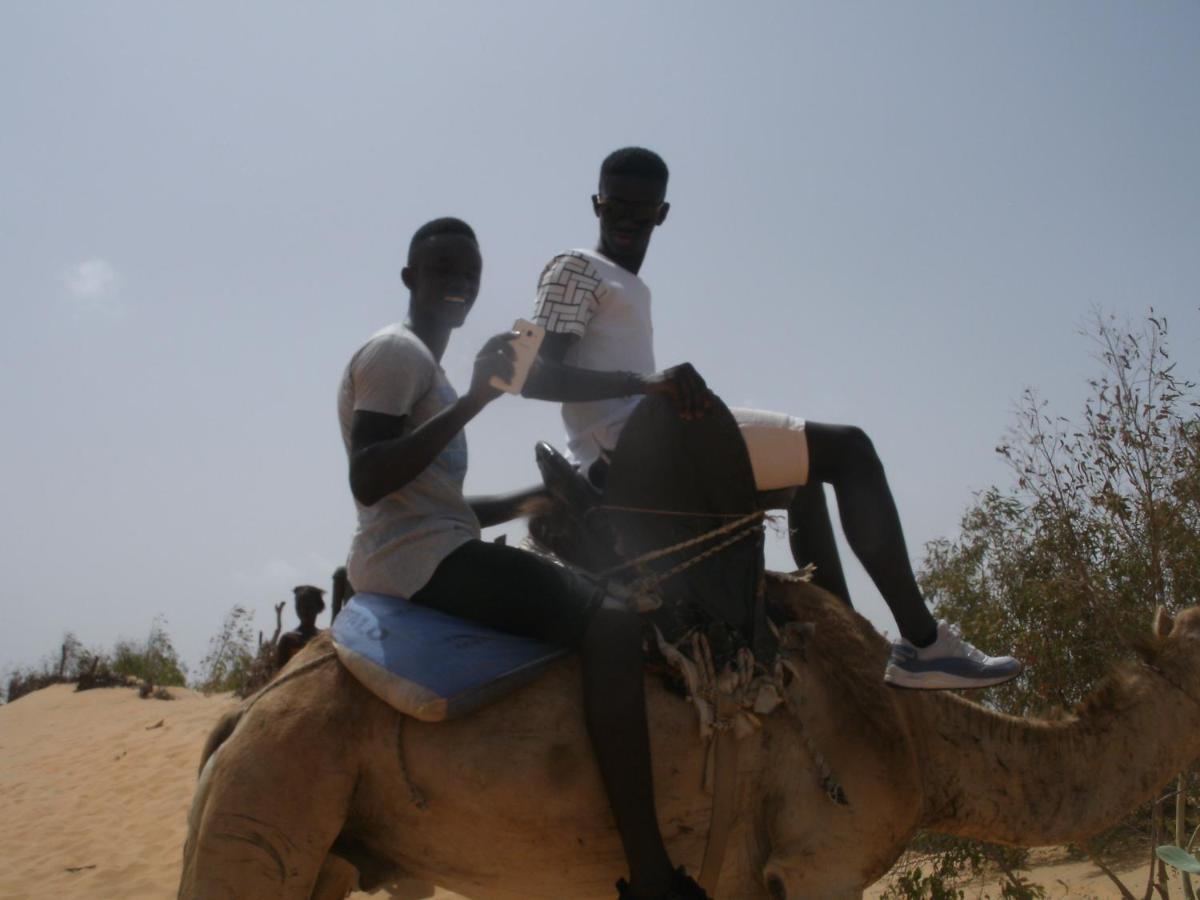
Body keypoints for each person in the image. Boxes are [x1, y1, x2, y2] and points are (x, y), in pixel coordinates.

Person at [522, 147, 1021, 691]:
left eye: (642, 211)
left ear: (662, 214)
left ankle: (849, 642)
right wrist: (645, 384)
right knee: (851, 450)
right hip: (632, 457)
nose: (628, 221)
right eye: (616, 206)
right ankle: (926, 645)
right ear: (596, 204)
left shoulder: (629, 284)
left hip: (651, 450)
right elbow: (530, 376)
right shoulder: (574, 267)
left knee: (803, 480)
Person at [338, 217, 709, 900]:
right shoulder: (398, 354)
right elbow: (368, 476)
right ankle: (651, 875)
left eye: (468, 273)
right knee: (612, 620)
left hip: (424, 544)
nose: (458, 283)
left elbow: (431, 501)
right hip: (419, 562)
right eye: (442, 269)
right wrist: (481, 398)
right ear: (410, 279)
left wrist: (530, 500)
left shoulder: (429, 370)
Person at [275, 585, 326, 669]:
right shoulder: (288, 640)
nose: (303, 610)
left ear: (318, 607)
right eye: (299, 606)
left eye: (308, 606)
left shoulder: (324, 639)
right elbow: (281, 675)